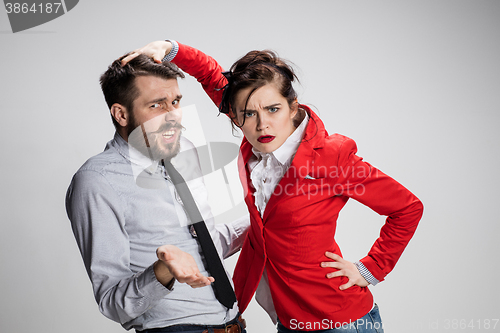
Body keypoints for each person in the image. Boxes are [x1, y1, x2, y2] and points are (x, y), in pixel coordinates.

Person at [124, 40, 424, 333]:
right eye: (249, 114)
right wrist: (171, 49)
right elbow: (212, 77)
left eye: (273, 109)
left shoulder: (332, 157)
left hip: (338, 320)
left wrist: (369, 269)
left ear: (293, 107)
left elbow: (407, 208)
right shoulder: (252, 135)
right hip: (286, 318)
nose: (262, 124)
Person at [65, 53, 249, 333]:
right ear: (121, 114)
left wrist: (262, 223)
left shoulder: (184, 149)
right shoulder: (96, 181)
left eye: (175, 102)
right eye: (156, 105)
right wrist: (163, 270)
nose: (173, 116)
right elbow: (111, 301)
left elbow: (203, 245)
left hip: (234, 324)